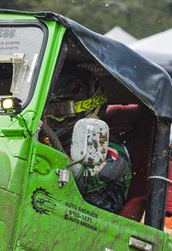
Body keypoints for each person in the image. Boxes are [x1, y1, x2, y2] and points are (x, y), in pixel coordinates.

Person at [42, 67, 132, 215]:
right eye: (49, 110)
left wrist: (47, 143)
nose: (53, 117)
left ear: (90, 107)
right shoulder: (59, 143)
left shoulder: (114, 152)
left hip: (94, 224)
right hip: (55, 214)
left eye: (61, 109)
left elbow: (84, 180)